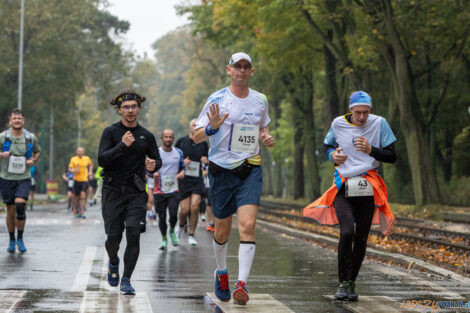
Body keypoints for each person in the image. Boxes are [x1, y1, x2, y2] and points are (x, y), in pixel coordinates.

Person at [193, 52, 274, 305]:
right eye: (237, 66)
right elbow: (196, 136)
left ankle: (242, 284)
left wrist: (265, 136)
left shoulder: (260, 100)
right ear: (229, 70)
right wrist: (212, 127)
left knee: (248, 226)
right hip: (221, 170)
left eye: (246, 67)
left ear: (252, 71)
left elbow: (263, 126)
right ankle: (222, 272)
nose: (241, 70)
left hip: (251, 167)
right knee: (222, 229)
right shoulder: (217, 99)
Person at [302, 91, 397, 301]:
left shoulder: (380, 123)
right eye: (358, 113)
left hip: (368, 186)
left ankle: (351, 282)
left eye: (366, 112)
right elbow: (326, 146)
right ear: (350, 110)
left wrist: (372, 150)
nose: (362, 117)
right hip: (344, 186)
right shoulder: (338, 124)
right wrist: (332, 155)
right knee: (346, 233)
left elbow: (392, 156)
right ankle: (342, 282)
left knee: (361, 237)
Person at [98, 88, 161, 295]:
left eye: (134, 106)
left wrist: (153, 166)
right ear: (119, 110)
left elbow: (156, 160)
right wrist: (122, 146)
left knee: (134, 234)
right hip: (112, 191)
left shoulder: (146, 136)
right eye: (125, 107)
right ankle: (113, 261)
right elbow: (102, 159)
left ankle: (126, 279)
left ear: (139, 108)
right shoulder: (110, 132)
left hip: (135, 193)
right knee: (113, 238)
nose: (130, 110)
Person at [0, 108, 41, 253]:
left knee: (20, 206)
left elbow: (37, 152)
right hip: (6, 179)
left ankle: (20, 238)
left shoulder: (30, 137)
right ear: (10, 121)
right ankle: (12, 239)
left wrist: (33, 160)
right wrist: (2, 154)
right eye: (14, 118)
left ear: (23, 121)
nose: (17, 121)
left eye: (19, 118)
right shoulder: (3, 137)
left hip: (23, 178)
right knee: (10, 211)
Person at [175, 119, 209, 246]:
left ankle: (191, 235)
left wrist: (206, 161)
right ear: (189, 128)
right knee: (185, 209)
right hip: (184, 179)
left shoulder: (204, 144)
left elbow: (207, 160)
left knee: (195, 207)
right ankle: (181, 225)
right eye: (194, 125)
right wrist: (182, 163)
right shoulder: (181, 142)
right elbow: (174, 159)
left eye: (198, 126)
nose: (196, 128)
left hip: (197, 179)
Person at [153, 129, 185, 250]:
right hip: (159, 190)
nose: (168, 139)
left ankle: (172, 230)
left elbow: (182, 167)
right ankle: (164, 239)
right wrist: (153, 174)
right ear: (162, 138)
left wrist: (182, 173)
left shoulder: (178, 152)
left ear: (173, 138)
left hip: (173, 189)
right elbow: (149, 169)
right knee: (161, 216)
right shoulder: (156, 152)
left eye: (170, 137)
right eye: (166, 137)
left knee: (173, 214)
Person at [68, 147, 93, 218]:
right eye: (79, 151)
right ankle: (76, 210)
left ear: (83, 152)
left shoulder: (86, 158)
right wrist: (74, 171)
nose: (80, 152)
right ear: (77, 152)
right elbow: (69, 169)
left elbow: (91, 164)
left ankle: (82, 211)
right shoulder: (73, 159)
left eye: (82, 151)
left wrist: (90, 172)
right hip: (76, 180)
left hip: (84, 180)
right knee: (75, 197)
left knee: (83, 195)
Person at [201, 164, 215, 232]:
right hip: (205, 185)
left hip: (214, 184)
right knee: (209, 203)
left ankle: (214, 223)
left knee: (213, 204)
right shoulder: (202, 161)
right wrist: (203, 172)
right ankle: (210, 223)